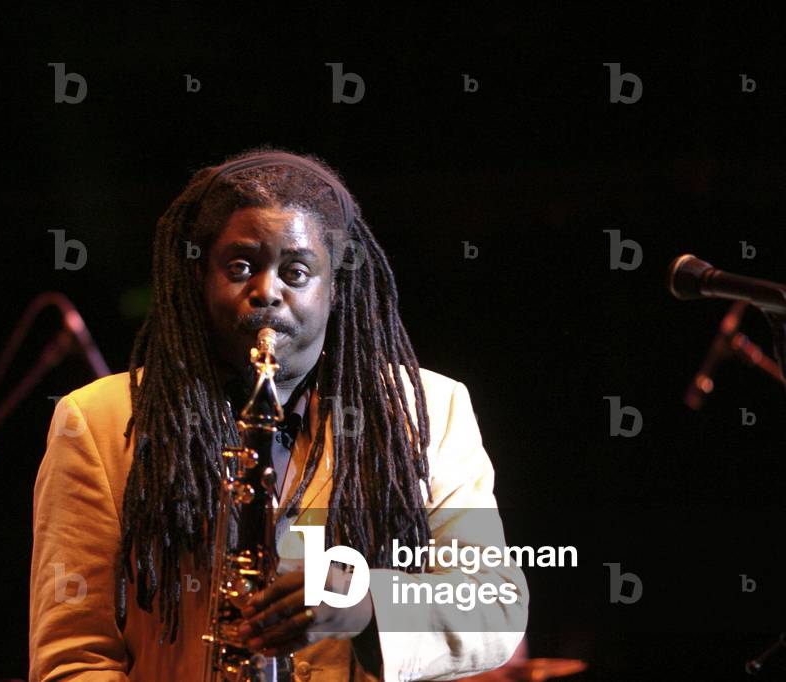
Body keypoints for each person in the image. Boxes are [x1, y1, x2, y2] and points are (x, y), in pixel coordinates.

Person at [29, 147, 528, 680]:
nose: (266, 291)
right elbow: (74, 657)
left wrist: (365, 608)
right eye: (240, 266)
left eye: (296, 271)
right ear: (199, 278)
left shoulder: (429, 410)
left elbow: (495, 606)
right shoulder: (97, 421)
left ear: (337, 288)